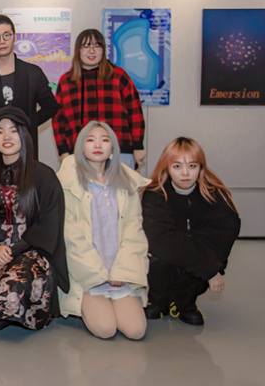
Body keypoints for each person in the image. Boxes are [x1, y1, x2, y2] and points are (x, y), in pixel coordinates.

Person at [0, 107, 69, 331]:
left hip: (31, 252)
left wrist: (13, 251)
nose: (6, 137)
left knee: (9, 295)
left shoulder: (44, 175)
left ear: (24, 135)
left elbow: (48, 225)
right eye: (0, 132)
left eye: (13, 131)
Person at [57, 121, 150, 340]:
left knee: (136, 331)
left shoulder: (127, 183)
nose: (97, 144)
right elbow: (72, 237)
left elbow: (134, 232)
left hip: (120, 275)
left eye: (104, 140)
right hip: (89, 277)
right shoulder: (68, 184)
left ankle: (119, 295)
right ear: (81, 147)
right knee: (106, 329)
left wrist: (121, 272)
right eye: (90, 140)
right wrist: (98, 275)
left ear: (112, 149)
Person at [142, 137, 240, 325]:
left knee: (210, 255)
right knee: (160, 257)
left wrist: (210, 266)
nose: (185, 173)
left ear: (201, 168)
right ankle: (159, 301)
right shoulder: (154, 194)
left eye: (192, 166)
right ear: (167, 168)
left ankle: (185, 304)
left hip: (195, 270)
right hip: (164, 264)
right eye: (177, 166)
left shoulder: (217, 196)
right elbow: (161, 239)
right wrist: (209, 269)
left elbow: (222, 237)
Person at [0, 14, 60, 167]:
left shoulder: (33, 73)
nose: (2, 41)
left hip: (25, 150)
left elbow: (51, 106)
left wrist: (27, 123)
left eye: (6, 35)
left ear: (15, 37)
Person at [52, 29, 146, 169]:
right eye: (86, 46)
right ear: (78, 51)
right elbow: (58, 120)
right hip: (78, 152)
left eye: (97, 46)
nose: (92, 51)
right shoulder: (67, 81)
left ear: (103, 50)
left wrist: (138, 145)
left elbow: (135, 112)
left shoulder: (118, 76)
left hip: (119, 151)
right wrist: (63, 151)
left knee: (122, 191)